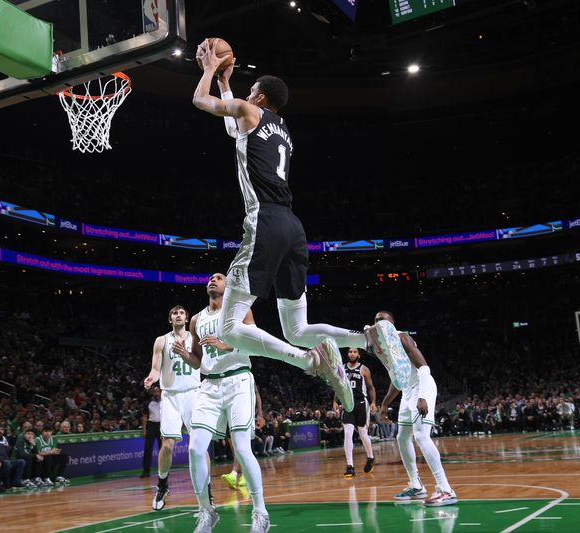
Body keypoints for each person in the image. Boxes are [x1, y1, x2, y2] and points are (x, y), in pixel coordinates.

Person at [192, 39, 411, 412]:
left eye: (250, 89)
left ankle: (308, 361)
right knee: (297, 328)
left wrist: (210, 69)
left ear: (259, 97)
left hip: (264, 221)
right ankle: (369, 337)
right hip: (293, 228)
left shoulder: (249, 110)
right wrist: (228, 81)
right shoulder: (281, 129)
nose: (245, 93)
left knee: (229, 329)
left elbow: (202, 102)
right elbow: (234, 130)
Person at [170, 272, 269, 533]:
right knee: (194, 449)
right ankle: (206, 512)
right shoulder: (195, 320)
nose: (213, 280)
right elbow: (199, 360)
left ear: (228, 285)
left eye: (219, 278)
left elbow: (256, 345)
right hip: (210, 384)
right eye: (211, 278)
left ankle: (260, 511)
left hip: (237, 380)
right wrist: (185, 355)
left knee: (241, 447)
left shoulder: (239, 309)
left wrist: (227, 346)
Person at [377, 310, 457, 507]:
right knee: (402, 437)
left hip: (423, 386)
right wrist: (385, 404)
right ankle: (416, 485)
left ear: (392, 324)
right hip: (407, 391)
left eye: (383, 320)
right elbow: (398, 379)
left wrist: (422, 396)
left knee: (421, 436)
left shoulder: (402, 337)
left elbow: (423, 367)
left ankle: (446, 489)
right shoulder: (383, 347)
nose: (380, 323)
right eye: (376, 320)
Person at [143, 305, 201, 511]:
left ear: (186, 318)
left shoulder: (196, 338)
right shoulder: (161, 340)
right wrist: (151, 378)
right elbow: (156, 368)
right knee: (167, 445)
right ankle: (162, 484)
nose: (178, 315)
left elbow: (201, 363)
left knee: (199, 446)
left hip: (193, 393)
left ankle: (207, 491)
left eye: (181, 313)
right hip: (170, 396)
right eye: (174, 313)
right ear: (170, 319)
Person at [334, 348, 377, 478]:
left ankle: (370, 457)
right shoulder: (341, 368)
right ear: (347, 354)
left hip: (361, 403)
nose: (352, 354)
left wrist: (373, 402)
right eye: (350, 352)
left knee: (363, 435)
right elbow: (338, 385)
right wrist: (335, 401)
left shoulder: (364, 369)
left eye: (354, 352)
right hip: (347, 403)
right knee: (348, 433)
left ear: (358, 355)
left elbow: (370, 387)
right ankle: (350, 466)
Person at [140, 387, 162, 478]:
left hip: (162, 426)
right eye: (155, 392)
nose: (156, 393)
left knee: (163, 450)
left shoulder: (165, 402)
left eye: (158, 391)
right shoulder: (147, 403)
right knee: (148, 449)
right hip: (151, 426)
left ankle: (163, 471)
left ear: (161, 392)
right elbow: (144, 417)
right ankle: (146, 471)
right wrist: (144, 430)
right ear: (152, 393)